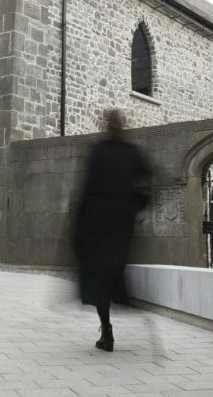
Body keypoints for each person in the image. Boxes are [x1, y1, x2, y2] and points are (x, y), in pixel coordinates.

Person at [72, 109, 150, 352]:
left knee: (99, 275)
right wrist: (134, 206)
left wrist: (78, 225)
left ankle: (106, 328)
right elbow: (149, 182)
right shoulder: (132, 153)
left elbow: (87, 189)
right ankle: (111, 323)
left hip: (97, 223)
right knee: (113, 270)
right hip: (120, 224)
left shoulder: (99, 150)